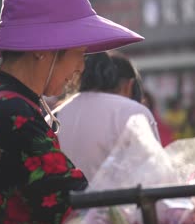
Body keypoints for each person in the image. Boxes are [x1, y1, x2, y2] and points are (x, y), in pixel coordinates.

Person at [0, 0, 144, 224]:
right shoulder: (13, 113)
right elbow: (80, 208)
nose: (82, 65)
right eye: (79, 52)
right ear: (42, 49)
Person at [52, 52, 158, 182]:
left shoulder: (55, 115)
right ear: (129, 85)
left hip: (64, 200)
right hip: (120, 201)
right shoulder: (134, 113)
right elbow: (155, 173)